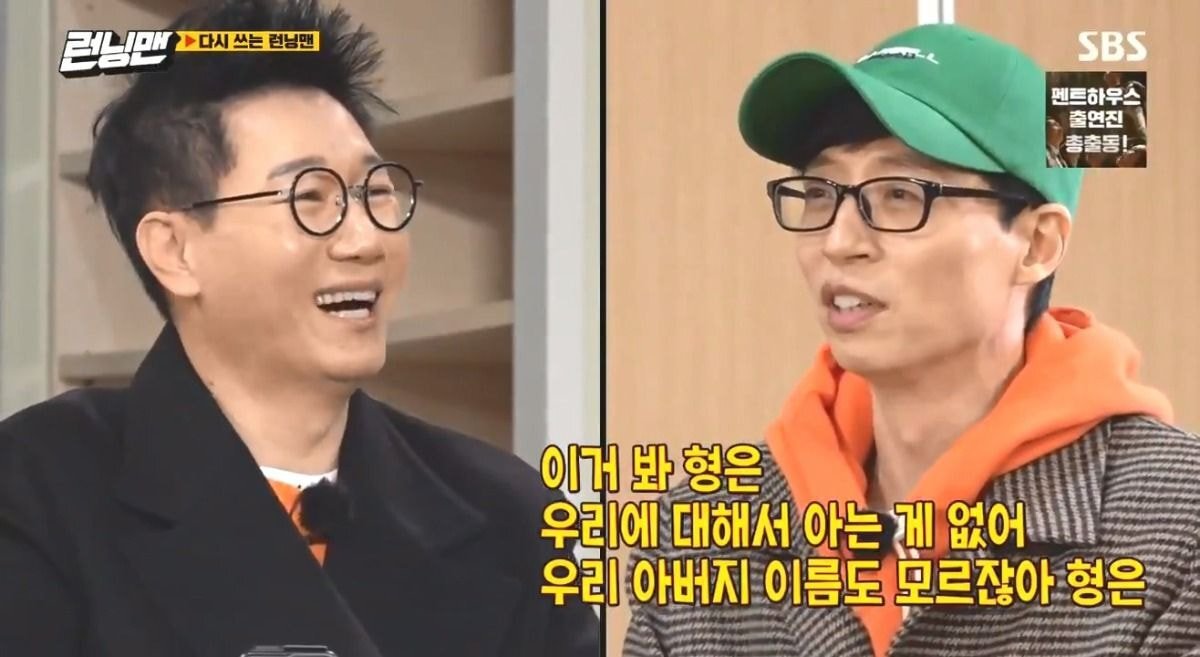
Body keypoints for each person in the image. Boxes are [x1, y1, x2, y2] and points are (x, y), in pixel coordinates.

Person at [0, 1, 598, 656]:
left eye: (376, 192)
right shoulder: (37, 491)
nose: (365, 240)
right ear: (175, 251)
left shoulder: (512, 514)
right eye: (310, 198)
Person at [624, 24, 1200, 657]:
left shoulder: (1178, 528)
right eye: (819, 192)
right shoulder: (700, 535)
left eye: (899, 194)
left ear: (1037, 244)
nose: (838, 241)